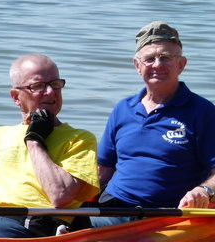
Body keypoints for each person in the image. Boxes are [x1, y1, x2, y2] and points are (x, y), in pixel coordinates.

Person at [0, 54, 99, 238]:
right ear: (16, 97)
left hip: (35, 228)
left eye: (55, 84)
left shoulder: (79, 139)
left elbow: (60, 195)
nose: (50, 92)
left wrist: (34, 140)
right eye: (38, 86)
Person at [91, 21, 215, 227]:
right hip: (113, 211)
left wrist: (205, 191)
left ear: (181, 65)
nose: (157, 64)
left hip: (168, 217)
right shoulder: (122, 108)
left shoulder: (202, 111)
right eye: (149, 59)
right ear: (137, 66)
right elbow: (104, 169)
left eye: (166, 58)